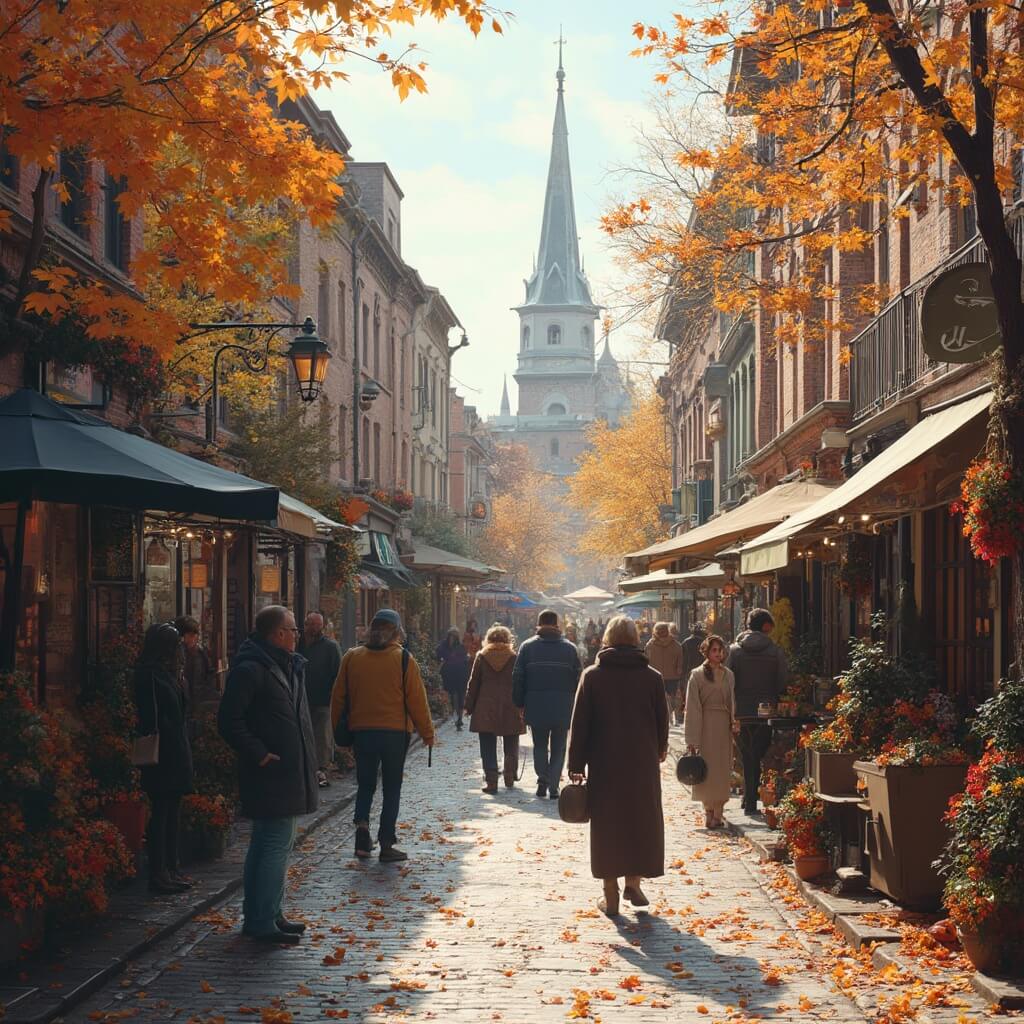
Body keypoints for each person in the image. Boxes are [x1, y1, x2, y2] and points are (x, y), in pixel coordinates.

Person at [218, 605, 318, 945]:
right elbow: (229, 721)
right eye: (293, 629)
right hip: (271, 772)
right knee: (273, 845)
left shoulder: (286, 665)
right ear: (277, 634)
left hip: (287, 770)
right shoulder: (252, 668)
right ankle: (261, 920)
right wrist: (259, 754)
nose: (297, 635)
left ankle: (268, 913)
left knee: (270, 844)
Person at [567, 616, 669, 916]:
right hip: (641, 761)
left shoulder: (593, 676)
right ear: (636, 639)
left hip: (605, 761)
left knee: (608, 824)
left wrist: (576, 763)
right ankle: (634, 883)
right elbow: (662, 720)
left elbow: (580, 723)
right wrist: (660, 749)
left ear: (607, 639)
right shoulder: (652, 677)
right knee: (640, 820)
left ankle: (610, 892)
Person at [331, 609, 434, 862]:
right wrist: (428, 733)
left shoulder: (352, 657)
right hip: (394, 735)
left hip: (363, 733)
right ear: (397, 632)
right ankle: (386, 843)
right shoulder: (403, 659)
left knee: (365, 785)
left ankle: (362, 834)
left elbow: (338, 698)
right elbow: (417, 701)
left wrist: (338, 732)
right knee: (392, 788)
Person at [133, 622, 194, 895]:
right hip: (162, 753)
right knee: (160, 813)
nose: (178, 651)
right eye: (174, 646)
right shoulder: (149, 675)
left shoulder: (171, 674)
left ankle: (171, 867)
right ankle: (158, 872)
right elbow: (151, 718)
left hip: (177, 750)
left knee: (173, 811)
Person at [512, 609, 582, 800]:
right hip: (563, 705)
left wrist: (519, 703)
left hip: (536, 704)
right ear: (557, 624)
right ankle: (553, 785)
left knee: (540, 744)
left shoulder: (527, 647)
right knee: (559, 746)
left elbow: (517, 677)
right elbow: (579, 679)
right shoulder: (570, 648)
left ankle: (542, 778)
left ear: (538, 624)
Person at [727, 608, 788, 815]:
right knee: (758, 752)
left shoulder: (734, 651)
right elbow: (782, 681)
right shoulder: (775, 651)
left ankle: (749, 798)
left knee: (746, 753)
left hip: (741, 710)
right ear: (765, 626)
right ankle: (751, 798)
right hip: (766, 709)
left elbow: (728, 680)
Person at [683, 634, 739, 828]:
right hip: (705, 725)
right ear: (706, 652)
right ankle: (708, 811)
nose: (718, 654)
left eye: (720, 650)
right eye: (714, 650)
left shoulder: (728, 674)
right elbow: (692, 706)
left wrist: (734, 721)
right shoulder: (697, 674)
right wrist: (692, 738)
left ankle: (719, 811)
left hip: (723, 726)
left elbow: (732, 700)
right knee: (706, 770)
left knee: (722, 770)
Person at [465, 624, 524, 793]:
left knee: (487, 744)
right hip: (510, 704)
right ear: (508, 640)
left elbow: (473, 683)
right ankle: (509, 773)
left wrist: (469, 706)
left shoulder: (482, 656)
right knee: (511, 740)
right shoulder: (514, 657)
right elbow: (520, 682)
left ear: (488, 639)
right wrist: (522, 704)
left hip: (485, 705)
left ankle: (491, 780)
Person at [297, 611, 343, 789]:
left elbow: (338, 674)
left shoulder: (330, 647)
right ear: (305, 624)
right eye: (311, 624)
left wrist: (335, 696)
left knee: (322, 736)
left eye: (318, 624)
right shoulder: (298, 644)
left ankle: (321, 770)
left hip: (323, 699)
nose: (314, 628)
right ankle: (305, 770)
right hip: (301, 699)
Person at [174, 615, 217, 724]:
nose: (194, 638)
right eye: (190, 635)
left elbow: (208, 675)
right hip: (181, 706)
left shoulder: (200, 653)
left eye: (195, 635)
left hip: (198, 704)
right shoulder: (175, 655)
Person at [645, 621, 685, 725]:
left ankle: (662, 717)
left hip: (655, 676)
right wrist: (678, 669)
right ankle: (672, 716)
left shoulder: (650, 645)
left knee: (657, 698)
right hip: (672, 676)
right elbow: (680, 659)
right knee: (672, 697)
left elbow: (646, 661)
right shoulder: (676, 645)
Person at [436, 627, 471, 731]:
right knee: (453, 695)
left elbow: (465, 658)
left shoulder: (460, 647)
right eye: (451, 636)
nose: (452, 639)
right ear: (448, 637)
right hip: (449, 674)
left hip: (460, 673)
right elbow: (438, 654)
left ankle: (459, 719)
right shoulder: (443, 646)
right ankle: (457, 717)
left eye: (454, 637)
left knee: (460, 695)